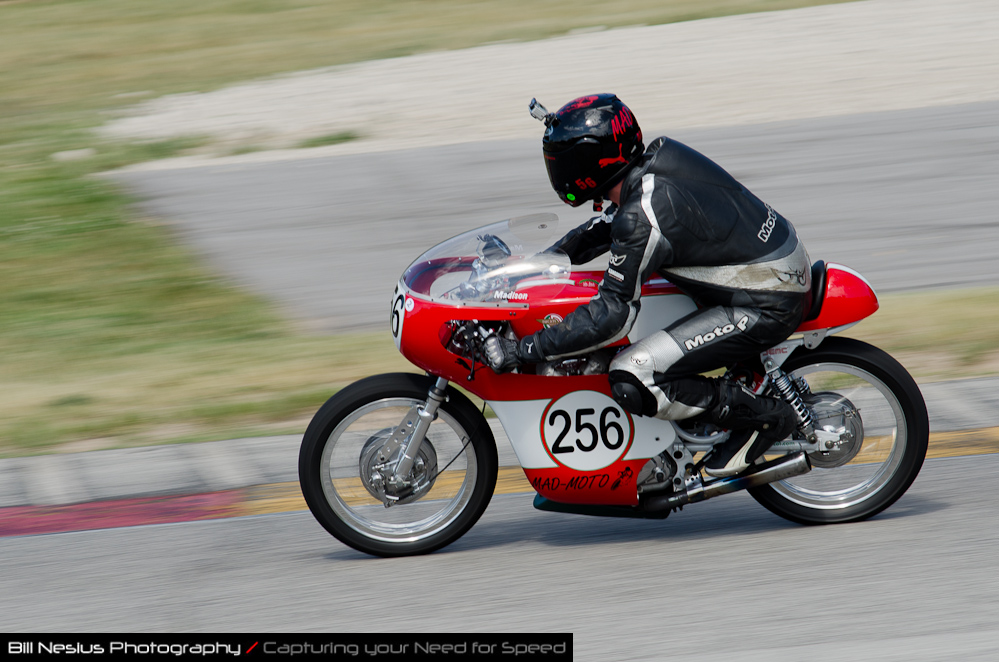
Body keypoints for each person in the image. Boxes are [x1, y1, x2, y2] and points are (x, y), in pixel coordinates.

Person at [484, 94, 811, 477]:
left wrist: (525, 349)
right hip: (773, 267)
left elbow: (611, 316)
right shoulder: (658, 161)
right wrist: (533, 267)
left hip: (765, 301)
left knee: (632, 375)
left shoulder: (642, 216)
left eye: (560, 160)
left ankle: (768, 418)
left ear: (586, 162)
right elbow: (603, 230)